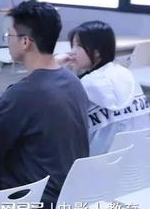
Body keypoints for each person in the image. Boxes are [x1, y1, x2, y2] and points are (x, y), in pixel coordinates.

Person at [0, 1, 89, 209]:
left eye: (9, 35)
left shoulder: (22, 94)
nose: (7, 41)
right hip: (68, 198)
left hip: (31, 206)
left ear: (25, 42)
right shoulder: (73, 82)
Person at [61, 21, 150, 155]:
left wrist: (56, 67)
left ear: (97, 52)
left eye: (78, 46)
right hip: (140, 156)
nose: (72, 52)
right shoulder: (126, 74)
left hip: (97, 161)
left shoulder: (86, 84)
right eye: (72, 45)